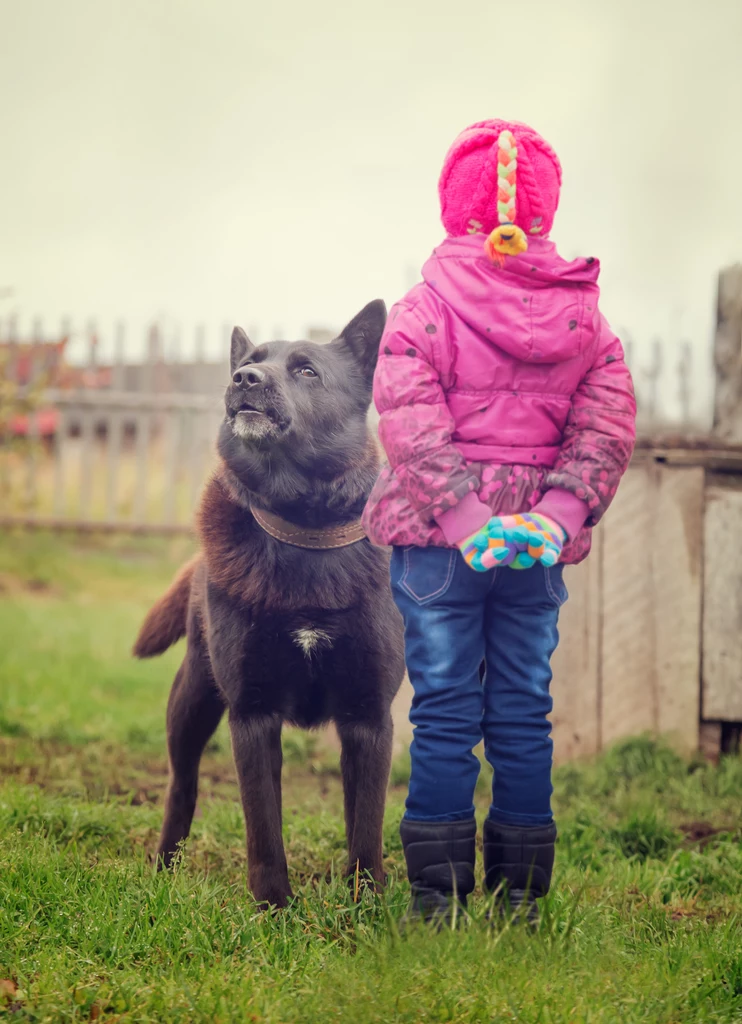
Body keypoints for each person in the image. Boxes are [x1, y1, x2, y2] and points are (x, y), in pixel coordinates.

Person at [362, 119, 636, 924]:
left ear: (454, 207)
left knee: (443, 708)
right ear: (543, 212)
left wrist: (461, 514)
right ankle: (520, 899)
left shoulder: (424, 309)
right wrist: (555, 515)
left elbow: (407, 418)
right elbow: (608, 424)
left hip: (439, 546)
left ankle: (435, 900)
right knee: (522, 707)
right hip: (532, 549)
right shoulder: (585, 316)